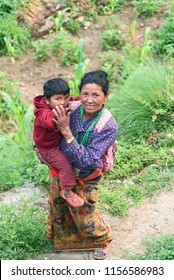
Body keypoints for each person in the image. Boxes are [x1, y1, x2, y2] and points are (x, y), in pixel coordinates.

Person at [48, 70, 118, 259]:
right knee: (59, 206)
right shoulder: (72, 107)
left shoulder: (108, 125)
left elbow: (87, 159)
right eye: (85, 94)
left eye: (96, 95)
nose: (89, 100)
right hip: (61, 169)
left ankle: (103, 239)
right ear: (79, 93)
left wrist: (66, 131)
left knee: (84, 212)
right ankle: (67, 242)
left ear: (105, 97)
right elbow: (44, 123)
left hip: (86, 174)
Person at [33, 78, 84, 208]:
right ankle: (67, 191)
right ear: (46, 100)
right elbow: (49, 121)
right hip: (48, 148)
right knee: (65, 167)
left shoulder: (63, 103)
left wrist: (84, 98)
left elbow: (73, 100)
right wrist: (64, 113)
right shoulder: (43, 113)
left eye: (65, 98)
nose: (63, 102)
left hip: (56, 141)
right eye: (58, 99)